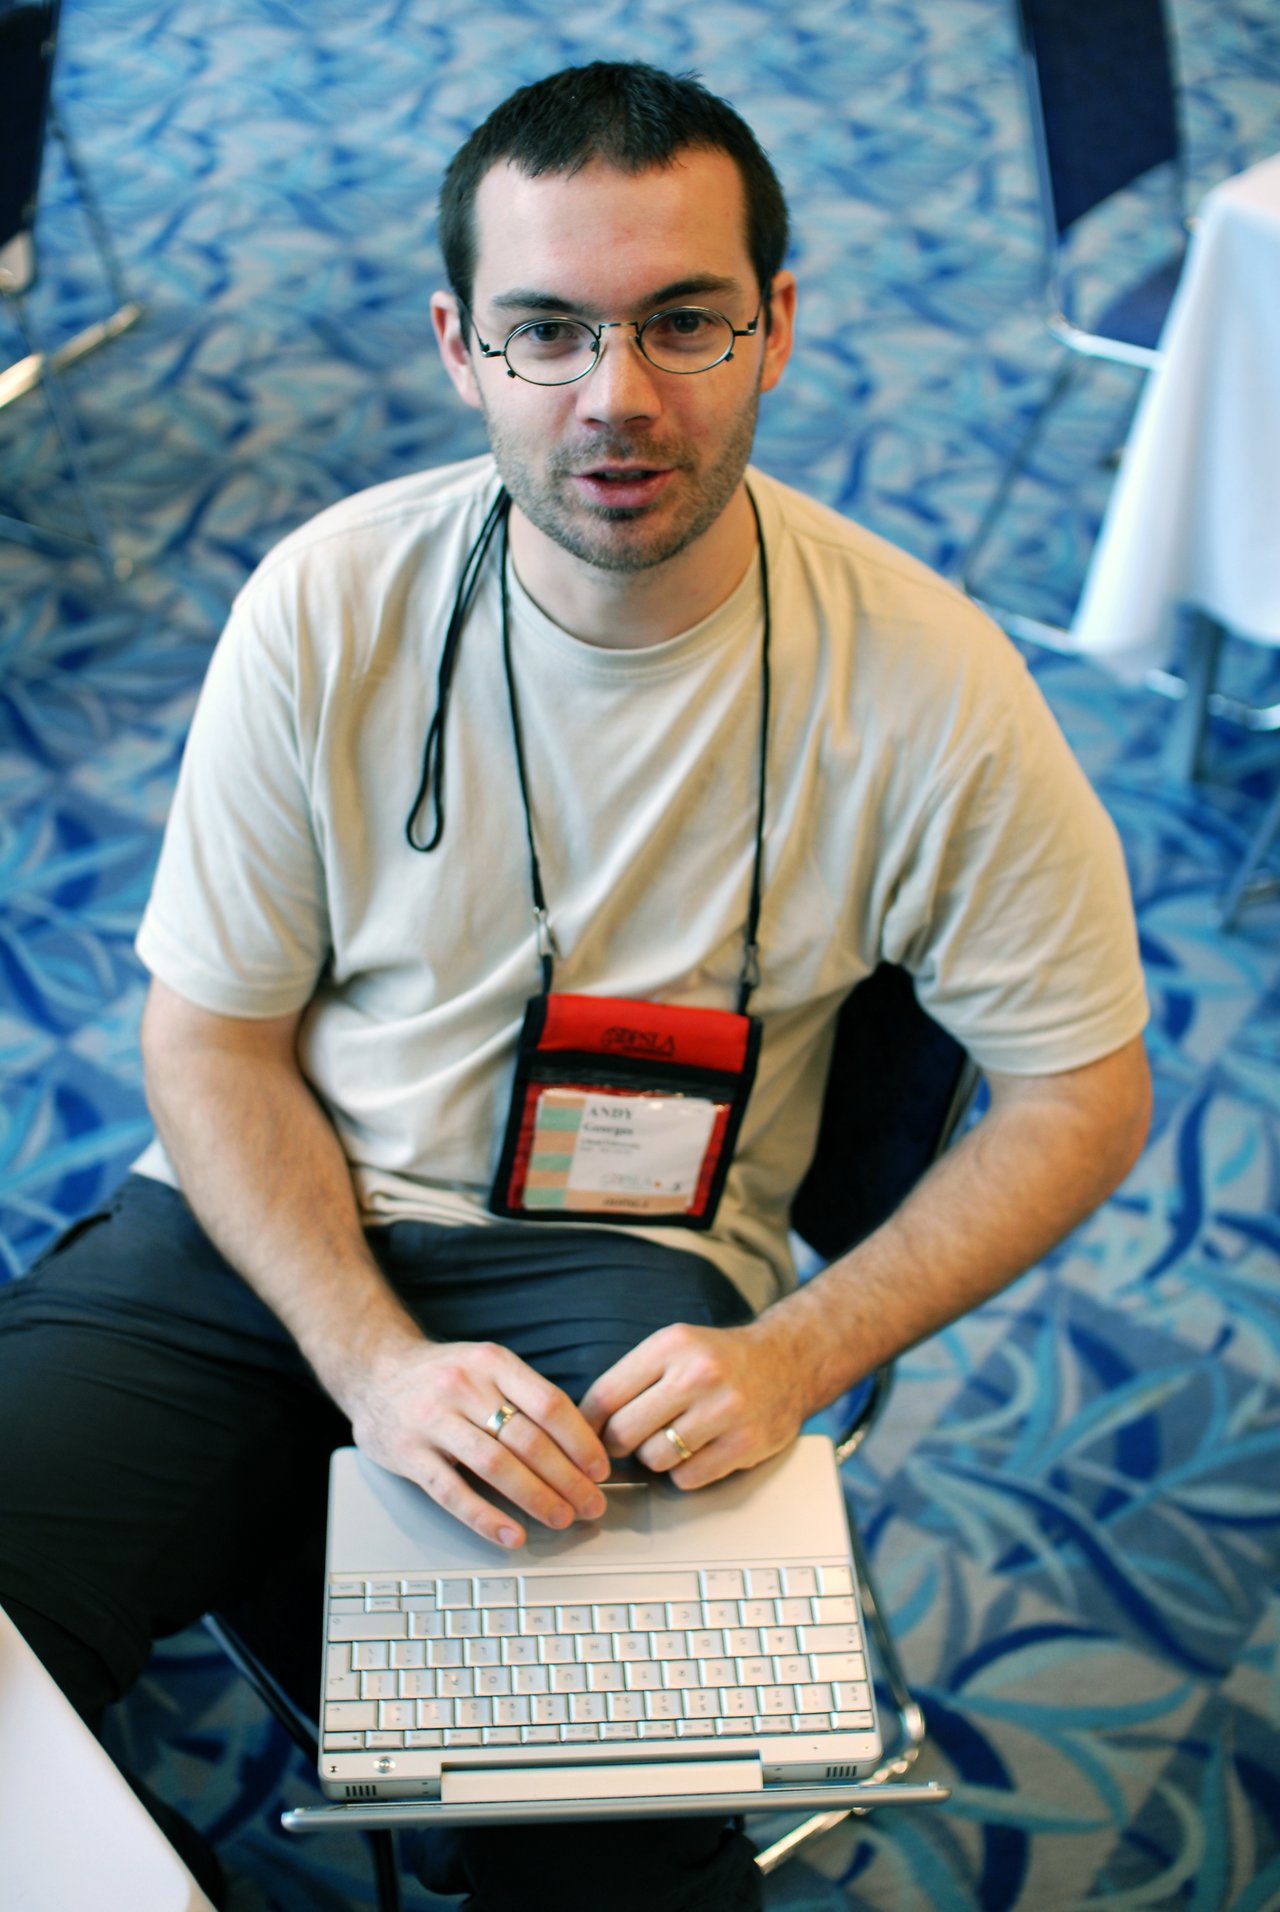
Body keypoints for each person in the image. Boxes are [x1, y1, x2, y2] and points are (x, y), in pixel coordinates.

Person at [0, 59, 1151, 1912]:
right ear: (461, 348)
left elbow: (1086, 1093)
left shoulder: (929, 685)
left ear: (779, 325)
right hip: (261, 1217)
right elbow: (208, 1036)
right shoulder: (327, 602)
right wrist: (371, 1364)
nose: (615, 396)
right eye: (547, 329)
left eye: (684, 321)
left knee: (612, 1853)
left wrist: (800, 1353)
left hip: (621, 1283)